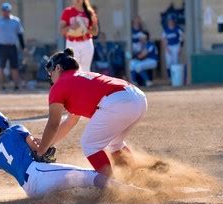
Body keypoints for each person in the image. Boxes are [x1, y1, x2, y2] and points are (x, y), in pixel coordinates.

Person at [0, 109, 147, 200]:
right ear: (1, 121)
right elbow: (37, 147)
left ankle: (104, 194)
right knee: (91, 176)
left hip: (30, 190)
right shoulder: (15, 130)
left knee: (74, 186)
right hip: (38, 173)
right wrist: (43, 151)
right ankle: (137, 193)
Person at [36, 48, 147, 177]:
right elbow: (70, 122)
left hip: (119, 102)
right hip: (138, 98)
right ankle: (133, 177)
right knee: (115, 144)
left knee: (89, 144)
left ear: (58, 68)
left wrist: (41, 152)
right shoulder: (78, 78)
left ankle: (110, 185)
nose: (50, 76)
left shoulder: (60, 84)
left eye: (51, 72)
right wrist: (48, 144)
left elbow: (53, 124)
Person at [0, 2, 25, 91]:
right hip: (1, 47)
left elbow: (20, 35)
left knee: (14, 67)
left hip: (12, 46)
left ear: (10, 11)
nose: (5, 12)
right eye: (4, 11)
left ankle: (16, 86)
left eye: (7, 10)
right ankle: (2, 86)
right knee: (1, 66)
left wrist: (23, 47)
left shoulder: (16, 20)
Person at [59, 0, 99, 71]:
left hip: (86, 43)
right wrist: (71, 27)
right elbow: (61, 30)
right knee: (72, 69)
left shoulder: (90, 12)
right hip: (72, 43)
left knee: (85, 69)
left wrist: (86, 29)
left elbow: (96, 32)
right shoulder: (67, 11)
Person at [162, 14, 183, 78]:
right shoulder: (166, 30)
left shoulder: (177, 29)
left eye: (172, 20)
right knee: (168, 63)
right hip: (169, 47)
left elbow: (181, 40)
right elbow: (164, 40)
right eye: (169, 21)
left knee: (175, 62)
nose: (170, 22)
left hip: (176, 46)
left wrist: (180, 48)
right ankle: (170, 78)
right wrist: (166, 48)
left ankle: (176, 78)